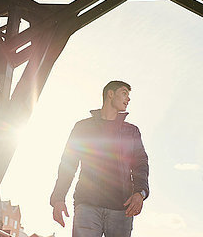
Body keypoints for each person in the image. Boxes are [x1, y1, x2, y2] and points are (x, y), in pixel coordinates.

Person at [50, 80, 149, 237]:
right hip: (87, 205)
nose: (128, 99)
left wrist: (140, 192)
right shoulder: (82, 127)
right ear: (110, 94)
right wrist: (58, 198)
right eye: (124, 93)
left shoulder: (132, 131)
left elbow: (141, 165)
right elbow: (68, 163)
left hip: (122, 208)